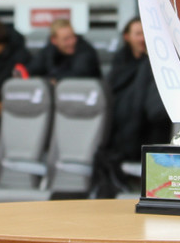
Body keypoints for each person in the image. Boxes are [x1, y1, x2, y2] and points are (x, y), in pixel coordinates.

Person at [96, 18, 169, 196]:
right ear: (127, 37)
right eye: (138, 34)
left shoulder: (157, 64)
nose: (142, 38)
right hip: (120, 128)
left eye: (145, 33)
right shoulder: (120, 62)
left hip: (145, 131)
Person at [27, 18, 101, 82]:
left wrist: (52, 79)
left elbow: (77, 75)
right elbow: (31, 70)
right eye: (66, 39)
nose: (71, 42)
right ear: (54, 40)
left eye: (73, 37)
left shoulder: (85, 50)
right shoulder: (49, 49)